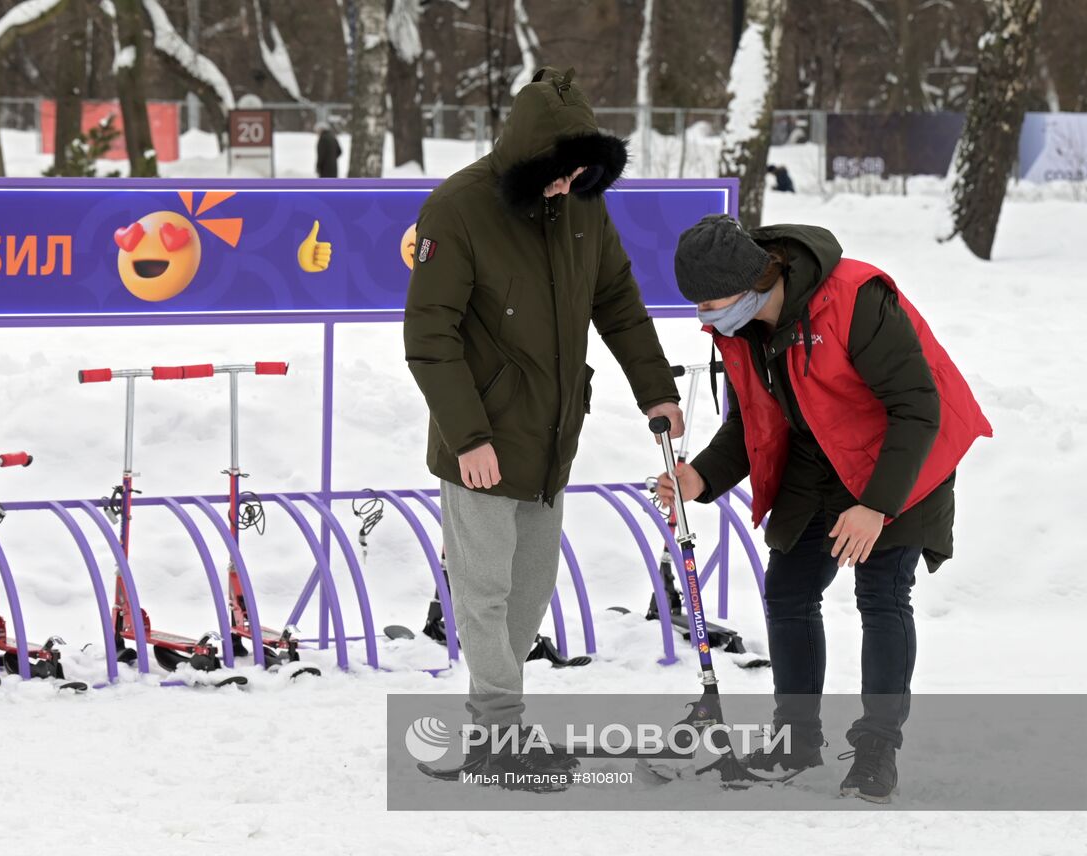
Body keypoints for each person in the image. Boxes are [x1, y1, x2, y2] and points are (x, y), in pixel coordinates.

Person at [404, 66, 682, 788]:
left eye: (580, 173)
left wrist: (656, 389)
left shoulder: (584, 207)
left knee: (530, 592)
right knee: (483, 590)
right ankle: (499, 734)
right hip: (482, 441)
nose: (567, 186)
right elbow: (429, 337)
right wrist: (469, 438)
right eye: (556, 175)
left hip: (553, 435)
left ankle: (495, 725)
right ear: (528, 161)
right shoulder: (458, 209)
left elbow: (617, 301)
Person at [660, 214, 991, 803]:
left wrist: (875, 507)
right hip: (821, 456)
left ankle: (875, 751)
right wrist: (700, 477)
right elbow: (752, 423)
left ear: (751, 282)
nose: (703, 316)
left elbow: (917, 407)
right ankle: (796, 739)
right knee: (788, 587)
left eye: (711, 301)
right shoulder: (741, 331)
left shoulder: (855, 298)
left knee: (882, 592)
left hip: (904, 452)